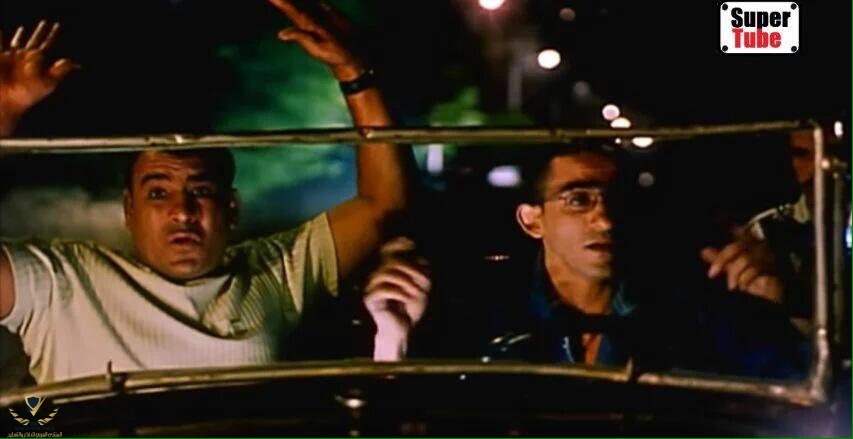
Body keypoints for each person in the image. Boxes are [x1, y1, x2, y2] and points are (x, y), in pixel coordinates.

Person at [0, 0, 412, 384]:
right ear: (129, 208)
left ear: (231, 208)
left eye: (200, 191)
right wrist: (4, 109)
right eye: (158, 194)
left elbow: (383, 203)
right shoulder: (62, 281)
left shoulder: (276, 273)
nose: (182, 212)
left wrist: (355, 73)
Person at [364, 144, 808, 378]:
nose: (606, 220)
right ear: (532, 220)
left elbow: (798, 403)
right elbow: (408, 414)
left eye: (617, 201)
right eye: (578, 200)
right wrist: (391, 339)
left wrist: (778, 310)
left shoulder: (690, 311)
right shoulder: (480, 311)